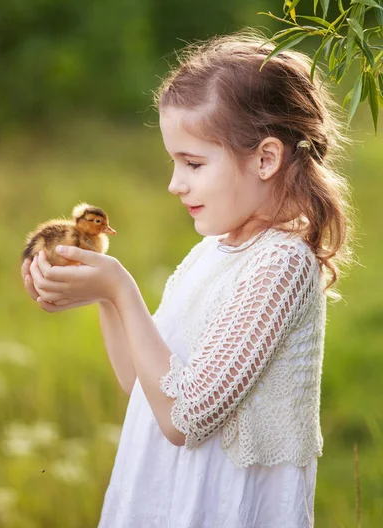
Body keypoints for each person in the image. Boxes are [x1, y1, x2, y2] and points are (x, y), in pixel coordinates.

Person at [21, 28, 356, 527]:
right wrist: (105, 299)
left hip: (221, 508)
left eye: (193, 163)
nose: (175, 184)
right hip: (165, 499)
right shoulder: (212, 253)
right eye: (174, 162)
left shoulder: (281, 266)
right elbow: (145, 385)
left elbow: (186, 417)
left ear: (266, 158)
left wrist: (120, 288)